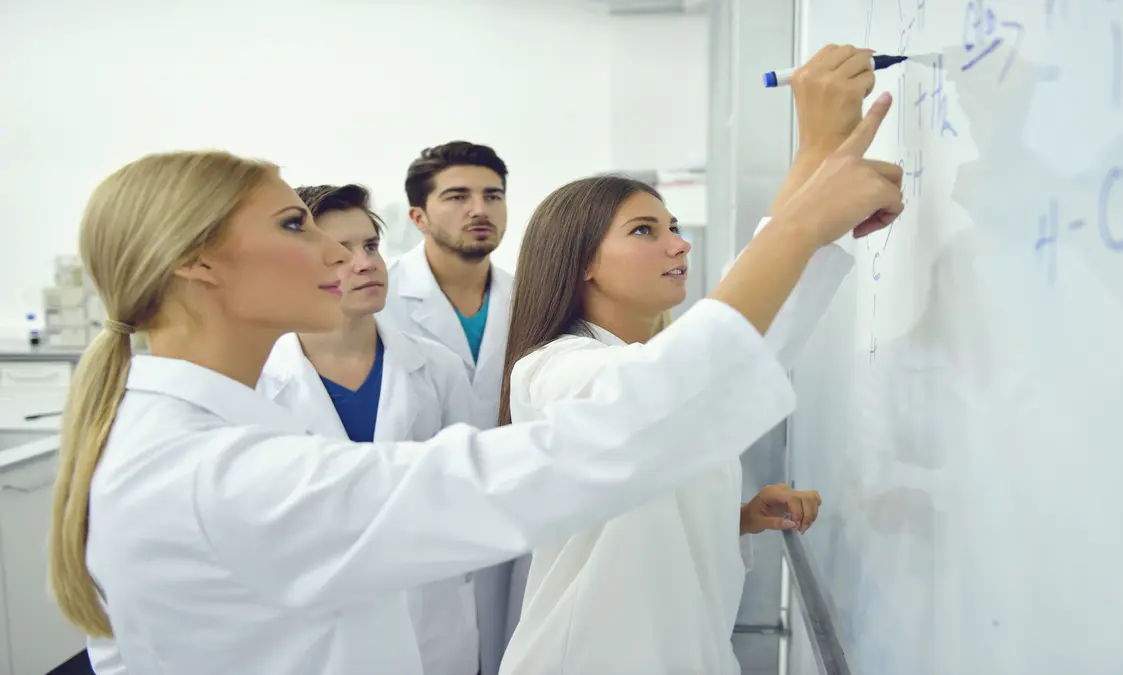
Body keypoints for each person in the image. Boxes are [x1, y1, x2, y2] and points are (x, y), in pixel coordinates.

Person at [47, 46, 900, 675]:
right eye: (294, 225)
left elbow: (664, 412)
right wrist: (799, 218)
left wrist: (806, 219)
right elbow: (612, 434)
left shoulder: (202, 435)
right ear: (199, 263)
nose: (340, 254)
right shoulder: (214, 471)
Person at [495, 45, 884, 675]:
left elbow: (639, 487)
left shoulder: (647, 361)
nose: (678, 244)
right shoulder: (553, 371)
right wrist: (813, 168)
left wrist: (736, 518)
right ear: (582, 261)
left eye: (672, 225)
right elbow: (692, 376)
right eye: (645, 231)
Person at [256, 184, 481, 675]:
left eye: (371, 247)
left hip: (428, 617)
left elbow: (469, 491)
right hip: (311, 630)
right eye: (340, 254)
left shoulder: (436, 368)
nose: (365, 264)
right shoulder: (256, 381)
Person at [382, 140, 526, 673]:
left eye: (493, 195)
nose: (479, 210)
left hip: (513, 516)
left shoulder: (533, 299)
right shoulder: (380, 297)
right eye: (458, 196)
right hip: (417, 521)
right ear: (418, 216)